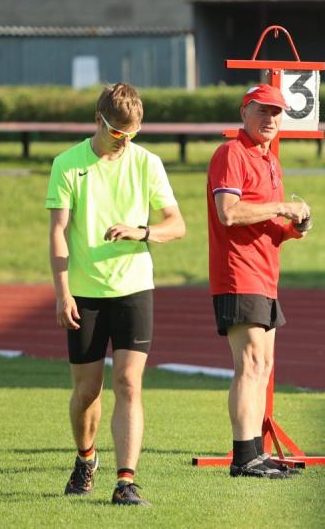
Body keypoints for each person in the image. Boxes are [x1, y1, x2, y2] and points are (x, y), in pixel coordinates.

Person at [47, 82, 186, 505]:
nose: (125, 141)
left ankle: (126, 482)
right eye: (117, 132)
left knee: (128, 383)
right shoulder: (67, 164)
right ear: (98, 120)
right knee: (87, 391)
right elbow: (58, 232)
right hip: (85, 293)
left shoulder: (148, 163)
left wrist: (142, 231)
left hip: (134, 287)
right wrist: (63, 292)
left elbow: (176, 224)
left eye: (133, 133)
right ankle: (86, 458)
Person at [206, 84, 311, 478]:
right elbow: (229, 213)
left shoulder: (270, 161)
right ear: (244, 112)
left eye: (277, 112)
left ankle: (255, 453)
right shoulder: (231, 153)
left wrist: (294, 228)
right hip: (239, 272)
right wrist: (283, 207)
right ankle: (243, 457)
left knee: (263, 365)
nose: (270, 118)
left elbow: (268, 225)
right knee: (249, 364)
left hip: (265, 274)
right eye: (262, 110)